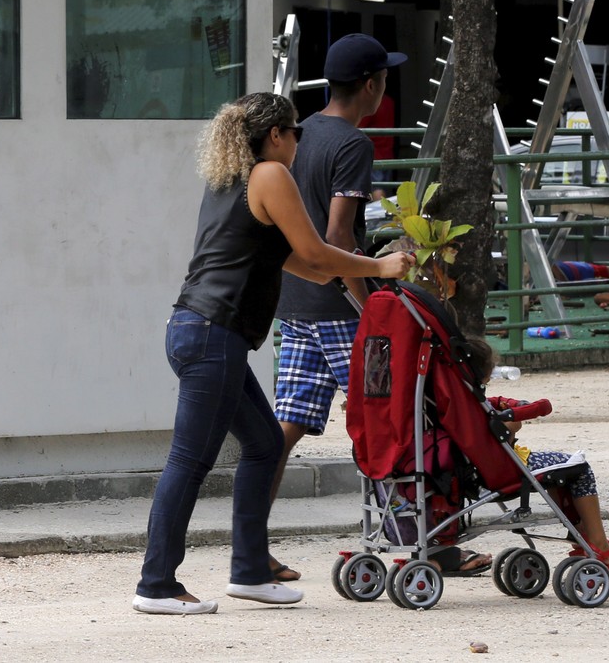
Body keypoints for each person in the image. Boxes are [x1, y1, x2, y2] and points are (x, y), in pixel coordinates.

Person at [132, 92, 417, 615]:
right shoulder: (269, 174)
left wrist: (364, 278)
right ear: (276, 135)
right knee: (189, 462)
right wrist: (379, 268)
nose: (300, 144)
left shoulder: (233, 179)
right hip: (213, 334)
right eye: (296, 133)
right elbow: (313, 252)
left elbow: (302, 264)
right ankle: (156, 584)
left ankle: (250, 571)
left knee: (264, 444)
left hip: (203, 331)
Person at [261, 35, 482, 578]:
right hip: (339, 308)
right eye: (384, 78)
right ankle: (435, 544)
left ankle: (252, 542)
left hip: (293, 303)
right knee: (398, 419)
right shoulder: (354, 145)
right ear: (371, 85)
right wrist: (371, 306)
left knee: (286, 426)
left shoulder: (300, 134)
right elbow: (340, 233)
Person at [463, 336, 609, 578]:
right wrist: (514, 421)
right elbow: (508, 428)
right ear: (485, 373)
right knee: (578, 468)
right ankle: (599, 543)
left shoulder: (456, 400)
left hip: (473, 471)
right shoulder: (475, 403)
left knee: (559, 471)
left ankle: (583, 533)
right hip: (504, 469)